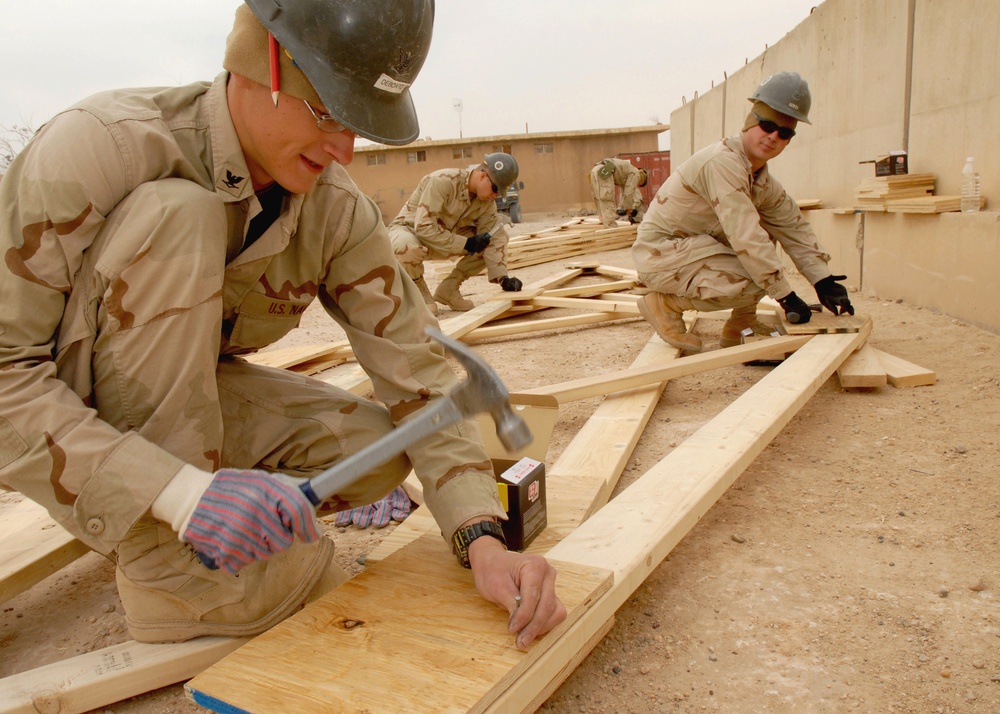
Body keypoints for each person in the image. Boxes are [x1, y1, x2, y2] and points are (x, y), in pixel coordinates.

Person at [0, 0, 565, 650]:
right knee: (180, 215)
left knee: (368, 452)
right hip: (64, 406)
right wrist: (179, 495)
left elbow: (418, 372)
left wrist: (482, 537)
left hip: (180, 405)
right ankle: (171, 570)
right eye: (326, 111)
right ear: (260, 61)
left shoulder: (334, 209)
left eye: (360, 121)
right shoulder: (103, 146)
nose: (343, 146)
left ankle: (207, 514)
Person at [631, 71, 854, 353]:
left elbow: (793, 227)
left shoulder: (760, 179)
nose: (773, 137)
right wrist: (785, 296)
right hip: (662, 256)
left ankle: (740, 328)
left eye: (784, 133)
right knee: (756, 272)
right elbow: (745, 235)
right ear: (750, 123)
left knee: (765, 252)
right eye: (767, 125)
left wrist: (823, 280)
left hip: (693, 252)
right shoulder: (723, 163)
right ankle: (665, 305)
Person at [388, 154, 524, 314]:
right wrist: (466, 244)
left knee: (494, 236)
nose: (496, 196)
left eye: (500, 193)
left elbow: (494, 237)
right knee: (407, 246)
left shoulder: (487, 204)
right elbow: (424, 227)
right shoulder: (442, 181)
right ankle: (419, 290)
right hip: (411, 232)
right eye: (495, 189)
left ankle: (449, 289)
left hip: (445, 238)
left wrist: (503, 279)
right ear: (482, 176)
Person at [589, 158, 648, 228]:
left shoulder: (627, 172)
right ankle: (611, 228)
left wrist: (624, 208)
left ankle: (605, 223)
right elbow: (628, 193)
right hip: (605, 171)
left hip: (595, 170)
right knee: (607, 198)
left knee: (598, 198)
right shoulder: (636, 174)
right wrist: (629, 209)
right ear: (642, 179)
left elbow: (623, 193)